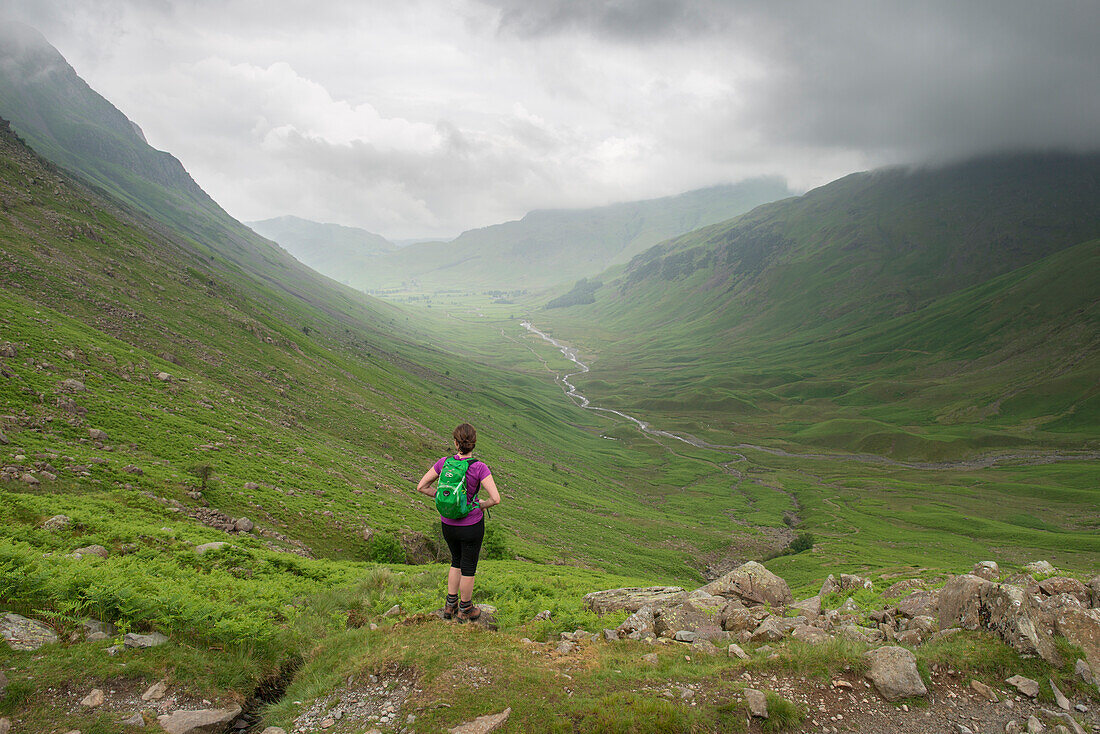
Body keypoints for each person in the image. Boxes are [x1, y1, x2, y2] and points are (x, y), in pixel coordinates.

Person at [415, 422, 501, 621]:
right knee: (468, 566)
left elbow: (421, 487)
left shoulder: (444, 463)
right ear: (474, 443)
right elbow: (495, 499)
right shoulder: (479, 467)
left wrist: (444, 498)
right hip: (471, 525)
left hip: (448, 524)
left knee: (455, 562)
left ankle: (449, 605)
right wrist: (479, 505)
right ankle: (466, 609)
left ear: (456, 443)